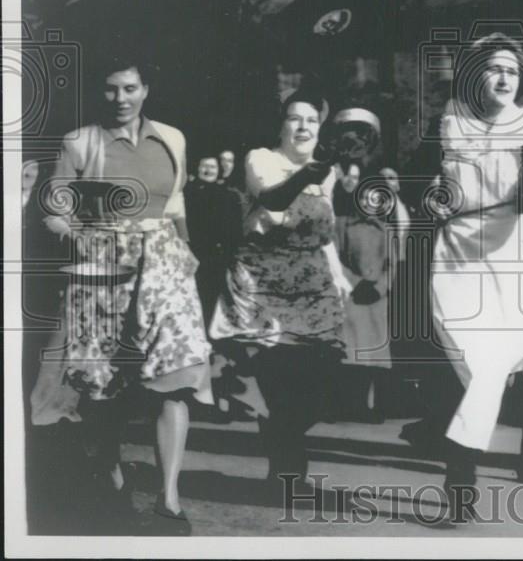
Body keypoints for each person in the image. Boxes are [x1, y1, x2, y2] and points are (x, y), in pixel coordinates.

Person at [30, 58, 213, 534]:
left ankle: (169, 500)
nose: (121, 99)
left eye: (129, 88)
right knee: (102, 382)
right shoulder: (79, 142)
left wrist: (188, 255)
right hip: (103, 269)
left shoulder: (171, 138)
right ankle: (112, 476)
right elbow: (54, 208)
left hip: (165, 269)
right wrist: (82, 237)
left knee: (176, 376)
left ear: (145, 89)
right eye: (111, 90)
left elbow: (176, 205)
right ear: (100, 93)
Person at [403, 33, 523, 520]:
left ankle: (458, 481)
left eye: (512, 71)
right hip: (458, 257)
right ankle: (453, 459)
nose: (503, 78)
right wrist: (431, 195)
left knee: (491, 371)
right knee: (474, 366)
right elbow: (413, 182)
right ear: (474, 75)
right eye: (494, 69)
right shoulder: (446, 124)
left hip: (517, 259)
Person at [210, 90, 353, 495]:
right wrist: (304, 177)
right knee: (280, 382)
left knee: (323, 377)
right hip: (263, 282)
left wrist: (339, 276)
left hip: (312, 284)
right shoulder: (261, 158)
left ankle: (279, 445)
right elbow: (272, 199)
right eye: (295, 118)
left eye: (311, 120)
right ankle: (288, 473)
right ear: (281, 125)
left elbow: (324, 232)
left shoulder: (326, 172)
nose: (303, 126)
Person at [333, 137, 410, 422]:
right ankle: (348, 405)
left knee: (374, 354)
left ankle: (370, 405)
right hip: (352, 296)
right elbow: (336, 258)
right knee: (351, 353)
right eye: (366, 196)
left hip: (377, 297)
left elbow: (393, 264)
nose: (370, 201)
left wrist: (381, 286)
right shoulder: (342, 224)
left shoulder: (387, 231)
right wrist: (352, 282)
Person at [184, 155, 242, 322]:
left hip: (217, 253)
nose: (208, 170)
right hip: (192, 250)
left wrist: (229, 252)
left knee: (212, 294)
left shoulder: (229, 196)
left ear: (219, 171)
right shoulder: (188, 193)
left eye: (213, 167)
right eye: (204, 166)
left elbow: (235, 229)